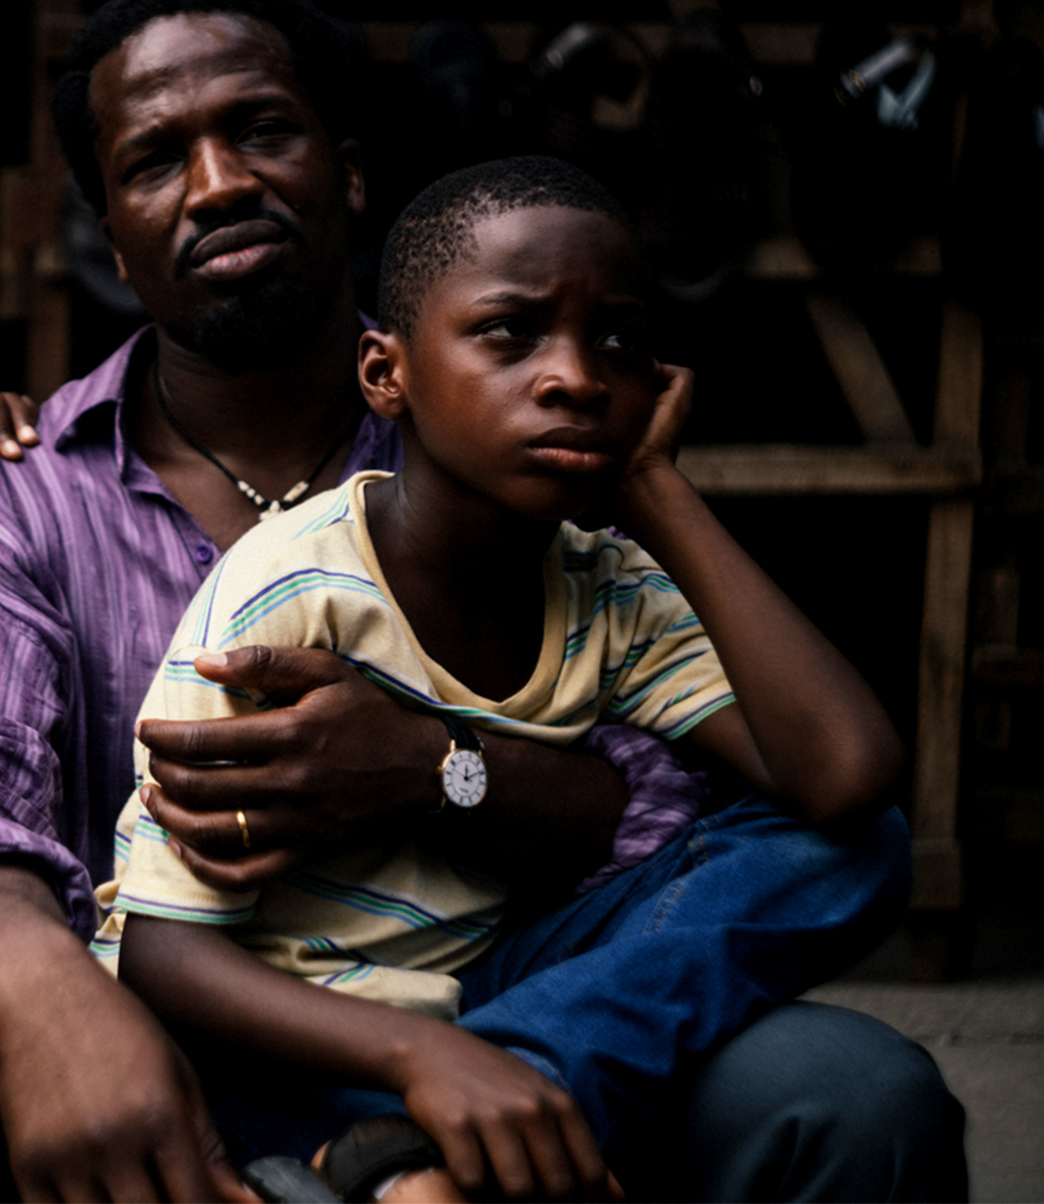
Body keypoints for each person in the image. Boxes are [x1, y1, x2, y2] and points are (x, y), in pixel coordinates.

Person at [0, 0, 967, 1202]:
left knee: (849, 1082)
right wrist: (62, 1003)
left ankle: (442, 1137)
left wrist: (431, 770)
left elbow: (692, 815)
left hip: (507, 997)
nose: (218, 183)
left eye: (260, 129)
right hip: (158, 1015)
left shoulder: (512, 461)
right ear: (112, 236)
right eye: (153, 161)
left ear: (347, 172)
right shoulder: (6, 500)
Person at [99, 155, 911, 1201]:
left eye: (617, 340)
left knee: (853, 843)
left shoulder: (608, 584)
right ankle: (447, 1124)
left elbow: (843, 773)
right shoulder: (290, 587)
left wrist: (654, 487)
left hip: (485, 1009)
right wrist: (423, 1061)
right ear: (384, 375)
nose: (574, 375)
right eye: (508, 333)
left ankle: (486, 1105)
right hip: (280, 1046)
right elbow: (163, 960)